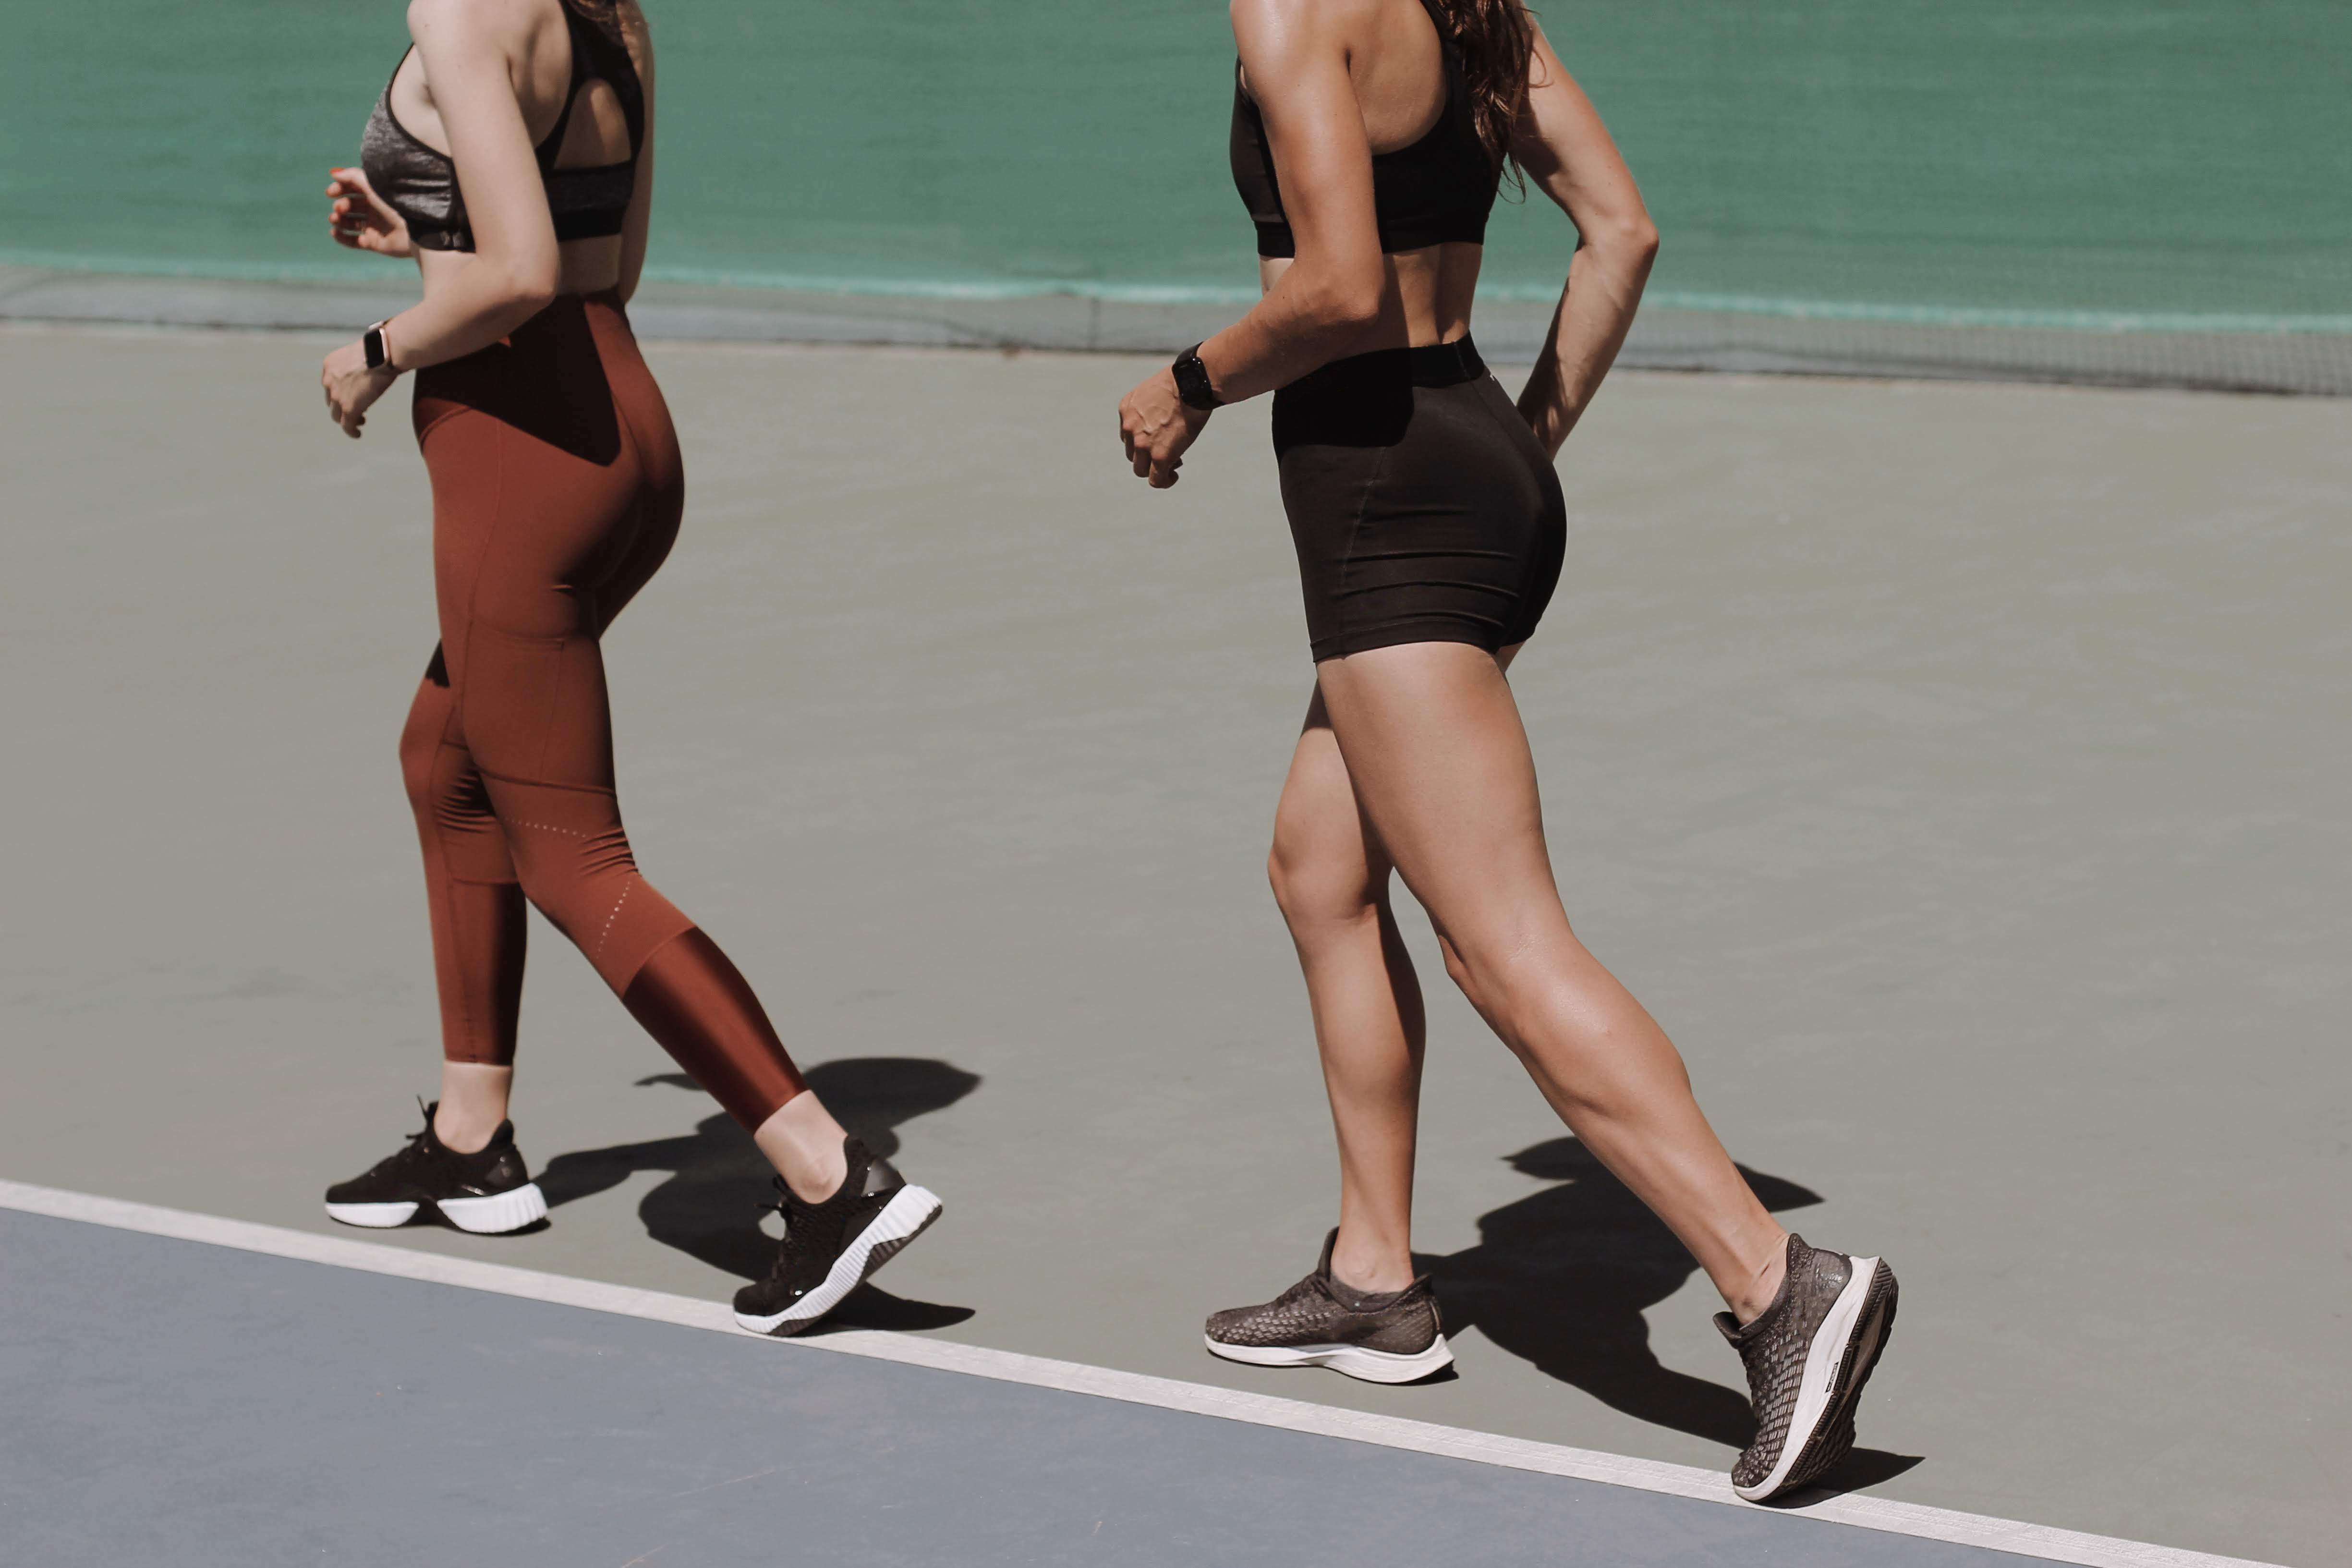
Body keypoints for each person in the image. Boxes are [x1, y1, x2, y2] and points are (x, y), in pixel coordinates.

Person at [1115, 0, 1895, 1501]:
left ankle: (1773, 1278)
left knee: (1496, 942)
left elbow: (1337, 288)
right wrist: (1515, 447)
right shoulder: (1467, 7)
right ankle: (1374, 1276)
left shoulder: (1288, 8)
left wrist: (1187, 382)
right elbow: (1623, 232)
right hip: (1478, 455)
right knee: (1318, 869)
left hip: (1378, 499)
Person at [313, 0, 938, 1337]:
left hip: (519, 455)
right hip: (623, 432)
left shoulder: (460, 8)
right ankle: (473, 1133)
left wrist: (372, 352)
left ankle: (828, 1174)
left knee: (573, 855)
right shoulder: (613, 18)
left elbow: (522, 275)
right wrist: (415, 235)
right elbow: (604, 262)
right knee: (444, 761)